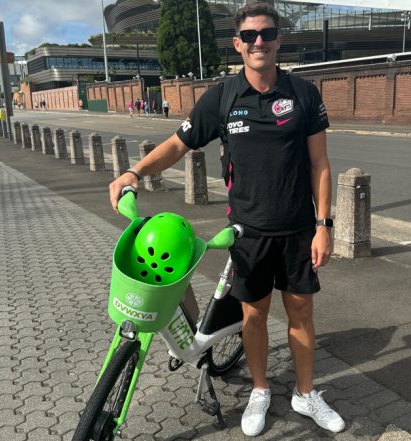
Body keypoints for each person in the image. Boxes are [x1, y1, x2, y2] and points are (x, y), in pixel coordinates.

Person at [107, 2, 344, 437]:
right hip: (248, 232)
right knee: (254, 317)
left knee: (301, 312)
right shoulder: (222, 96)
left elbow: (320, 166)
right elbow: (179, 144)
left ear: (278, 41)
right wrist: (135, 171)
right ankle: (259, 390)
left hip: (296, 231)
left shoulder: (304, 94)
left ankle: (305, 393)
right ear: (238, 44)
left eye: (267, 34)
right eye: (250, 36)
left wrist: (324, 226)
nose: (260, 42)